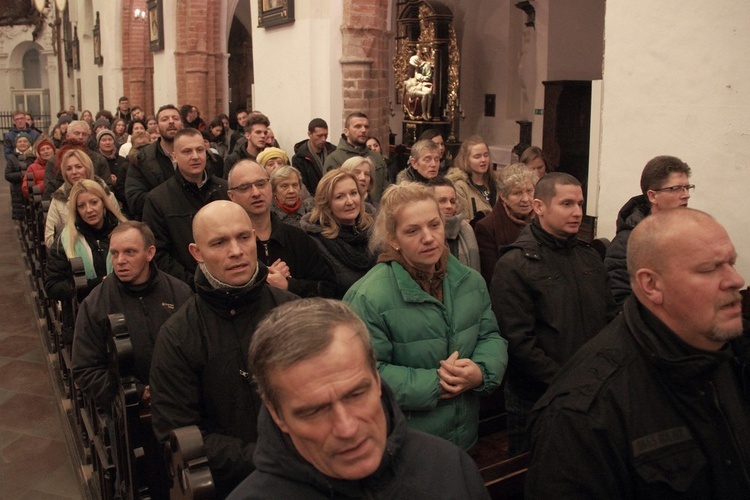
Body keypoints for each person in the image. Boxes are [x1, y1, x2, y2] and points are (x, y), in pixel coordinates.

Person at [527, 208, 750, 498]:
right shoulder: (584, 413)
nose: (735, 280)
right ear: (651, 285)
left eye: (731, 263)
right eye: (709, 269)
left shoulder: (732, 350)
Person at [228, 298, 491, 499]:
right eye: (314, 411)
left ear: (377, 380)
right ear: (277, 414)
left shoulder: (449, 467)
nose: (347, 428)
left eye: (356, 394)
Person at [149, 200, 298, 498]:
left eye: (243, 237)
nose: (236, 251)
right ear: (197, 253)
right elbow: (179, 435)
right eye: (219, 242)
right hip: (231, 485)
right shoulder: (178, 335)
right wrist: (266, 457)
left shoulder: (294, 313)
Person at [345, 182, 507, 450]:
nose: (429, 237)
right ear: (393, 239)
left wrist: (481, 371)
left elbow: (489, 335)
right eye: (412, 230)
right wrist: (436, 384)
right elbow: (363, 373)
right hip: (405, 443)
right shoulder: (368, 297)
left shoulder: (470, 281)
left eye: (434, 225)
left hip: (463, 435)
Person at [490, 172, 615, 456]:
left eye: (580, 204)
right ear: (539, 207)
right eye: (567, 203)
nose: (577, 213)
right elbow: (518, 341)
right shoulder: (515, 264)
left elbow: (610, 319)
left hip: (591, 392)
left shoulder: (589, 257)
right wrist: (566, 381)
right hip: (537, 397)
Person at [72, 221, 192, 407]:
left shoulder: (180, 293)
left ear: (150, 253)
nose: (120, 261)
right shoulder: (96, 303)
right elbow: (85, 369)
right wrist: (135, 392)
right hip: (127, 411)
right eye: (114, 253)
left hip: (181, 400)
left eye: (129, 252)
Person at [227, 159, 336, 298]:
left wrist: (288, 285)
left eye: (261, 184)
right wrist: (263, 280)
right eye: (244, 187)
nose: (255, 193)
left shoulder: (298, 239)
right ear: (232, 196)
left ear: (270, 188)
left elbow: (327, 289)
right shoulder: (228, 247)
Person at [142, 128, 228, 287]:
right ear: (174, 157)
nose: (195, 156)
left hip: (229, 280)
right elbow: (158, 254)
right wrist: (194, 282)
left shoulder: (225, 190)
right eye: (187, 151)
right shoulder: (158, 199)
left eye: (200, 150)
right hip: (186, 288)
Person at [605, 155, 693, 306]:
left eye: (687, 187)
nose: (686, 195)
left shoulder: (691, 234)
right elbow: (618, 302)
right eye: (676, 189)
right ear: (653, 196)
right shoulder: (627, 243)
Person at [44, 179, 127, 302]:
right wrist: (92, 285)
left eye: (94, 202)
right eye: (81, 206)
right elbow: (52, 286)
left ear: (103, 203)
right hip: (86, 305)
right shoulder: (66, 239)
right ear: (76, 209)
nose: (89, 210)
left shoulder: (125, 231)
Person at [300, 170, 375, 298]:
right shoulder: (315, 243)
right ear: (327, 203)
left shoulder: (374, 231)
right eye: (340, 197)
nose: (350, 201)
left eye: (353, 193)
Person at [475, 163, 537, 285]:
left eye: (529, 191)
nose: (526, 199)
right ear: (503, 196)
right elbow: (495, 277)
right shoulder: (487, 227)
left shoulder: (543, 220)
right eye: (517, 193)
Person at [44, 148, 119, 247]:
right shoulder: (59, 199)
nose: (74, 172)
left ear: (87, 168)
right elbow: (49, 239)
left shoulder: (106, 194)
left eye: (79, 167)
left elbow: (119, 228)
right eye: (69, 169)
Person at [125, 104, 184, 219]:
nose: (171, 122)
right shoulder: (142, 159)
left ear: (182, 125)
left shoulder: (196, 155)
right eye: (165, 119)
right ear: (157, 128)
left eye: (175, 118)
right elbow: (134, 199)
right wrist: (174, 197)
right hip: (158, 223)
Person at [323, 112, 388, 203]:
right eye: (358, 126)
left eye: (366, 127)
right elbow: (330, 194)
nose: (363, 130)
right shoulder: (334, 159)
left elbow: (386, 188)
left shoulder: (377, 157)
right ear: (346, 131)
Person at [43, 120, 113, 200]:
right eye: (77, 133)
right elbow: (50, 189)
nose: (80, 137)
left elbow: (107, 187)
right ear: (68, 136)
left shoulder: (98, 159)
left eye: (84, 134)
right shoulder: (54, 161)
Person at [428, 177, 480, 272]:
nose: (449, 206)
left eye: (452, 201)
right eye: (442, 201)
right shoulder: (425, 233)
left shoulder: (466, 229)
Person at [446, 135, 497, 222]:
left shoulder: (496, 182)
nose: (483, 160)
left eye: (486, 155)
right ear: (466, 160)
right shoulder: (460, 186)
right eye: (477, 157)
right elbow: (464, 222)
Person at [292, 118, 336, 195]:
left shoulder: (334, 152)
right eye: (319, 136)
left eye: (326, 135)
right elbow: (303, 186)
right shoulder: (299, 158)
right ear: (309, 134)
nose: (323, 139)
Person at [224, 113, 269, 177]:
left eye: (265, 133)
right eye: (258, 132)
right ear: (247, 135)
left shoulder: (271, 155)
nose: (263, 136)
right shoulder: (233, 160)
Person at [4, 131, 35, 220]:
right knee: (20, 214)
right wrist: (22, 174)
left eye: (25, 141)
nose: (22, 143)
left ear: (30, 143)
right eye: (20, 141)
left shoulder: (34, 156)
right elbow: (8, 175)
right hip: (18, 191)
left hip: (32, 190)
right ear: (16, 144)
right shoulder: (12, 158)